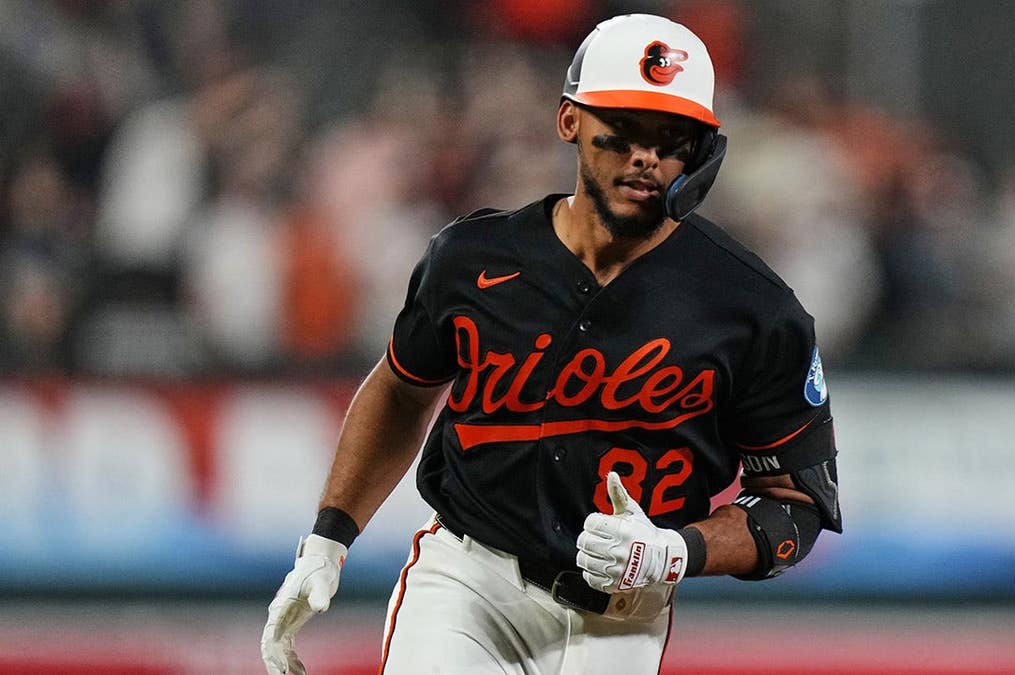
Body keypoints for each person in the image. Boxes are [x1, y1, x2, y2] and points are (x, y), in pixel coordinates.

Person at [261, 13, 841, 675]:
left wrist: (674, 550)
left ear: (702, 150)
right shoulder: (471, 257)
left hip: (624, 613)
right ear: (570, 120)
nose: (645, 154)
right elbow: (401, 388)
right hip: (469, 583)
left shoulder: (756, 309)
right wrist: (329, 536)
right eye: (623, 126)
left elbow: (796, 511)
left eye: (671, 136)